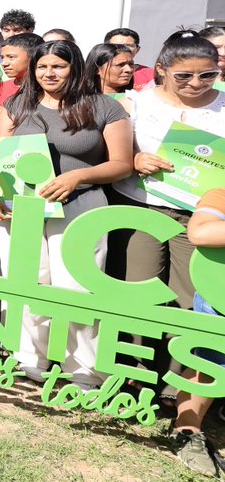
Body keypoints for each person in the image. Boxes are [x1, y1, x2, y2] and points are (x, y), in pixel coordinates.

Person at [0, 39, 132, 387]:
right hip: (21, 207)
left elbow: (122, 164)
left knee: (77, 290)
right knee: (25, 285)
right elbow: (0, 152)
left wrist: (79, 175)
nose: (49, 73)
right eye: (42, 67)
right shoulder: (16, 104)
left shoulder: (105, 107)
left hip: (80, 206)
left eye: (58, 66)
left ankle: (84, 372)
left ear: (76, 68)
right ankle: (28, 362)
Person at [106, 31, 225, 389]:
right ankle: (138, 377)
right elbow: (113, 151)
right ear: (160, 69)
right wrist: (135, 158)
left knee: (190, 299)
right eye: (183, 76)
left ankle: (180, 385)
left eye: (208, 75)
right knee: (138, 292)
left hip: (199, 219)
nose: (196, 83)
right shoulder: (135, 103)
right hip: (141, 208)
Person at [170, 188, 225, 476]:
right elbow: (200, 233)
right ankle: (187, 431)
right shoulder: (221, 194)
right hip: (221, 297)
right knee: (210, 362)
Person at [0, 32, 45, 105]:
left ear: (32, 57)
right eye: (2, 58)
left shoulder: (47, 89)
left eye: (11, 57)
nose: (4, 63)